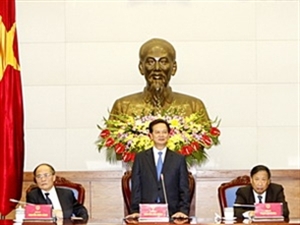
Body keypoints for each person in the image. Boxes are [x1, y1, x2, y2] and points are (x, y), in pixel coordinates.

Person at [109, 38, 210, 120]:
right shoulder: (123, 106)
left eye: (163, 62)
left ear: (174, 68)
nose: (157, 68)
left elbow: (206, 140)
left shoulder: (193, 106)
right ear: (141, 67)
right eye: (150, 62)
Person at [127, 119, 190, 220]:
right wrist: (135, 211)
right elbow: (136, 187)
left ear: (169, 135)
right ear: (151, 136)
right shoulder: (141, 158)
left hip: (172, 213)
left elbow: (184, 188)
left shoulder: (179, 159)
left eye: (164, 132)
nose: (161, 135)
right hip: (147, 213)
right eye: (157, 132)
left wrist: (182, 211)